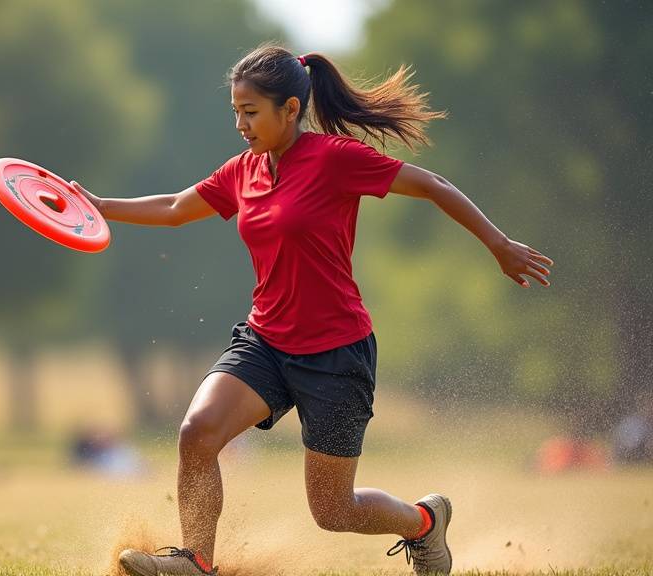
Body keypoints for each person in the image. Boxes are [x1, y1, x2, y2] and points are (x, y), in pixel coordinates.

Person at [72, 45, 553, 576]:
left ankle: (423, 523)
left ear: (291, 110)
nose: (240, 124)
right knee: (197, 433)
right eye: (235, 111)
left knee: (333, 511)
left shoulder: (335, 159)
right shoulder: (244, 171)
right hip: (265, 342)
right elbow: (172, 209)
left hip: (336, 354)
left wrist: (499, 244)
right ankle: (196, 561)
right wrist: (96, 206)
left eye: (250, 112)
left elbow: (432, 185)